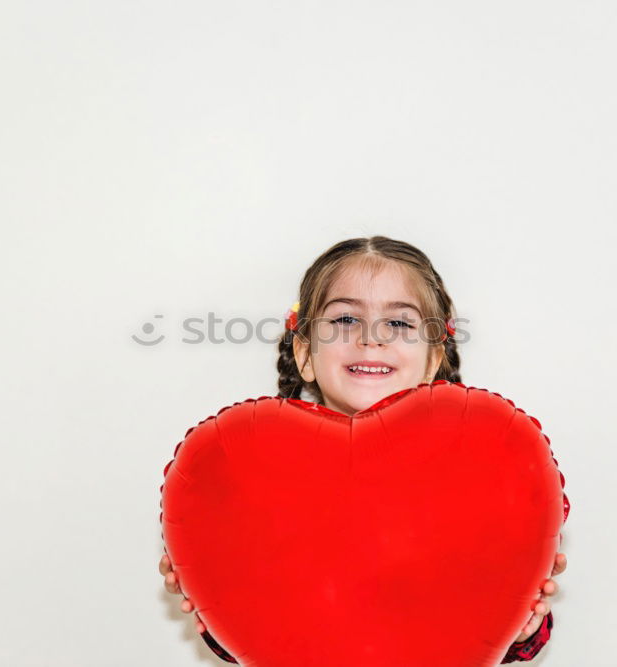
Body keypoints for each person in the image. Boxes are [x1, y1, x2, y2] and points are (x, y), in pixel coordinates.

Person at [159, 236, 570, 663]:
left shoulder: (491, 466)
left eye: (399, 324)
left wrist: (526, 625)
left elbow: (480, 615)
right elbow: (274, 619)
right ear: (304, 354)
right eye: (345, 320)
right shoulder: (251, 469)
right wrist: (209, 589)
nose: (371, 339)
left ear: (433, 359)